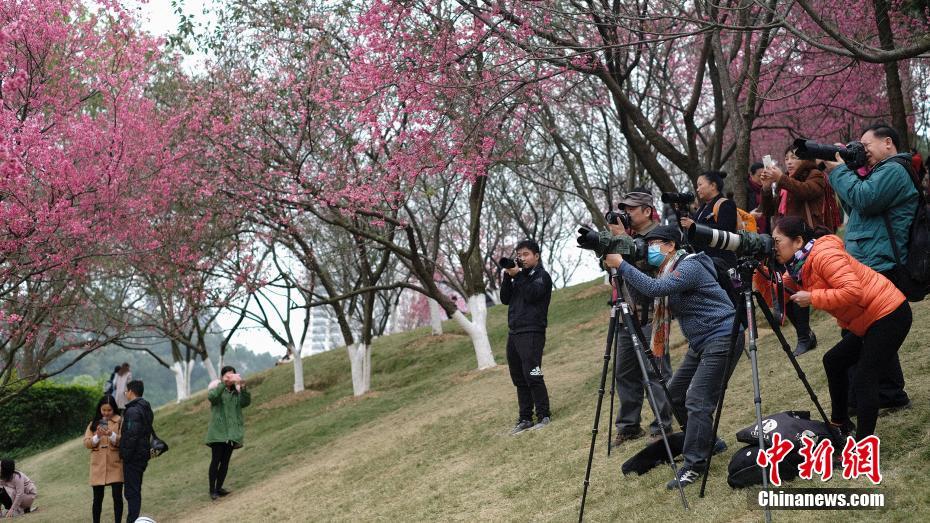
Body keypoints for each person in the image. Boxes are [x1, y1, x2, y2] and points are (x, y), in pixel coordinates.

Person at [604, 225, 733, 489]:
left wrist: (624, 266)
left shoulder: (690, 266)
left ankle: (694, 464)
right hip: (701, 342)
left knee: (697, 399)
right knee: (675, 395)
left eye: (655, 244)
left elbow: (655, 289)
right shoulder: (666, 269)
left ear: (671, 245)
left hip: (722, 335)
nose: (650, 249)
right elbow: (645, 296)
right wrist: (622, 267)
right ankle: (709, 442)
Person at [763, 216, 912, 438]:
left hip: (889, 312)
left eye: (776, 241)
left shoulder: (824, 256)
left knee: (864, 377)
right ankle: (840, 424)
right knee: (833, 361)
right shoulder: (797, 267)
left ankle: (863, 447)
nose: (773, 247)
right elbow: (775, 297)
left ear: (797, 242)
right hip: (867, 319)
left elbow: (853, 291)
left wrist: (813, 297)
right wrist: (758, 271)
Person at [824, 123, 916, 412]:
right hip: (870, 262)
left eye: (866, 147)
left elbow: (865, 198)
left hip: (882, 263)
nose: (862, 154)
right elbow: (857, 207)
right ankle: (886, 394)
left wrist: (838, 171)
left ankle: (868, 398)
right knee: (872, 333)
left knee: (865, 333)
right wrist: (845, 172)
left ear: (887, 142)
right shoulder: (879, 173)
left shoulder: (895, 170)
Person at [609, 189, 673, 446]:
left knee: (655, 371)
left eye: (631, 209)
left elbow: (651, 265)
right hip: (626, 314)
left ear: (647, 211)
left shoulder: (661, 236)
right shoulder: (629, 237)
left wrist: (623, 240)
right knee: (624, 373)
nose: (626, 214)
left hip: (652, 314)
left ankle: (662, 424)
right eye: (624, 209)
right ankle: (628, 426)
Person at [759, 144, 828, 357]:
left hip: (805, 242)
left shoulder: (814, 174)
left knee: (798, 288)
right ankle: (804, 334)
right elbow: (769, 211)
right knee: (785, 290)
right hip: (785, 243)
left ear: (805, 159)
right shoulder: (783, 181)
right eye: (786, 157)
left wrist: (781, 179)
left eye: (794, 157)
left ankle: (804, 337)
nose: (789, 161)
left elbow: (807, 192)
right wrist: (765, 188)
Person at [500, 239, 553, 435]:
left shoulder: (542, 276)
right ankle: (525, 418)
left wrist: (519, 277)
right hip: (514, 333)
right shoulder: (518, 277)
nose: (521, 258)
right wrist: (508, 276)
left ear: (536, 256)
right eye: (519, 255)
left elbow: (532, 295)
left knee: (533, 374)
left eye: (526, 255)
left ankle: (543, 415)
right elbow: (505, 299)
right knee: (519, 377)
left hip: (532, 331)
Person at [205, 366, 251, 500]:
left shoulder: (236, 393)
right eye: (228, 375)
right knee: (215, 461)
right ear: (222, 377)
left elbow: (245, 402)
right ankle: (212, 490)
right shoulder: (217, 389)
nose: (231, 377)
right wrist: (223, 384)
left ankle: (219, 488)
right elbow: (212, 398)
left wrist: (242, 387)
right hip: (218, 432)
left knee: (225, 462)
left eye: (232, 375)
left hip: (231, 433)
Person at [679, 170, 738, 269]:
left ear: (713, 186)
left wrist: (695, 226)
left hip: (720, 260)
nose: (697, 189)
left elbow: (725, 230)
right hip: (703, 259)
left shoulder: (726, 204)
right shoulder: (703, 207)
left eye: (700, 185)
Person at [84, 395, 124, 523]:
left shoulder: (120, 421)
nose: (106, 413)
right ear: (99, 409)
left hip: (115, 464)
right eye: (103, 410)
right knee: (97, 499)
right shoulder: (93, 423)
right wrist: (97, 437)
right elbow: (86, 443)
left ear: (114, 409)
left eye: (109, 410)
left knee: (117, 497)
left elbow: (123, 441)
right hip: (98, 466)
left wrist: (111, 434)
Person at [119, 380, 152, 523]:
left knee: (132, 492)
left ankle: (132, 520)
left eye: (126, 391)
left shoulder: (132, 411)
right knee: (135, 489)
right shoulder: (145, 407)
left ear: (131, 391)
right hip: (142, 454)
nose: (125, 393)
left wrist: (124, 455)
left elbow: (131, 435)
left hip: (134, 457)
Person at [747, 162, 768, 234]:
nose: (762, 178)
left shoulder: (765, 189)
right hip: (749, 230)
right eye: (759, 176)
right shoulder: (745, 190)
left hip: (764, 231)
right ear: (751, 175)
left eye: (764, 175)